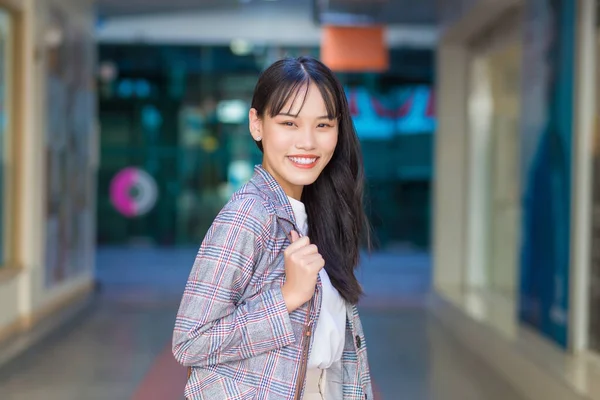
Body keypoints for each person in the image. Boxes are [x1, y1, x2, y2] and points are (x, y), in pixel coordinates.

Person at [173, 56, 373, 400]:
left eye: (323, 125)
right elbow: (190, 341)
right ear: (257, 124)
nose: (308, 142)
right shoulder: (248, 216)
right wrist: (286, 298)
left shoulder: (317, 213)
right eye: (289, 124)